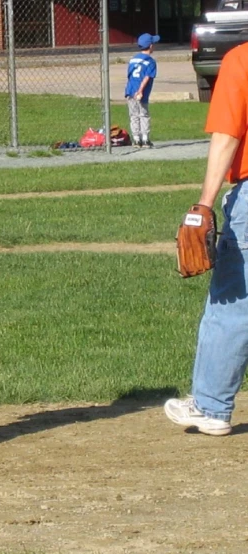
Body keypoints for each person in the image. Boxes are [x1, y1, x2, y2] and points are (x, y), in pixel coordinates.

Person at [163, 41, 248, 437]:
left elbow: (228, 135)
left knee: (233, 301)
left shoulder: (242, 59)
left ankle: (211, 406)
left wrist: (204, 204)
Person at [125, 33, 159, 149]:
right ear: (150, 46)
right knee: (144, 115)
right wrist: (140, 91)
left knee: (133, 115)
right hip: (141, 92)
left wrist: (134, 90)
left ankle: (136, 139)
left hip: (130, 91)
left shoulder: (133, 59)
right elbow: (146, 77)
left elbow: (129, 76)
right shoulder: (150, 61)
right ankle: (145, 139)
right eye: (153, 44)